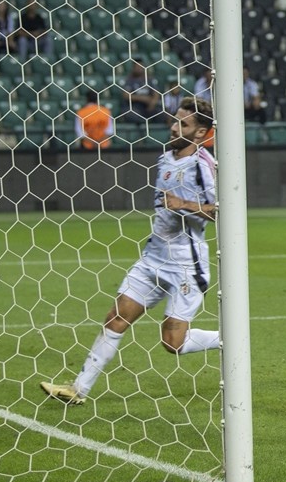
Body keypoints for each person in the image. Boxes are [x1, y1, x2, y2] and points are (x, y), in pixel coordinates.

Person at [40, 98, 219, 405]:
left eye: (184, 124)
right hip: (153, 257)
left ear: (201, 133)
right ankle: (78, 390)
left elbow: (220, 211)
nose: (174, 127)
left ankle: (228, 339)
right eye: (175, 120)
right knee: (116, 317)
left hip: (185, 263)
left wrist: (184, 205)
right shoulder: (165, 158)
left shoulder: (203, 165)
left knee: (173, 343)